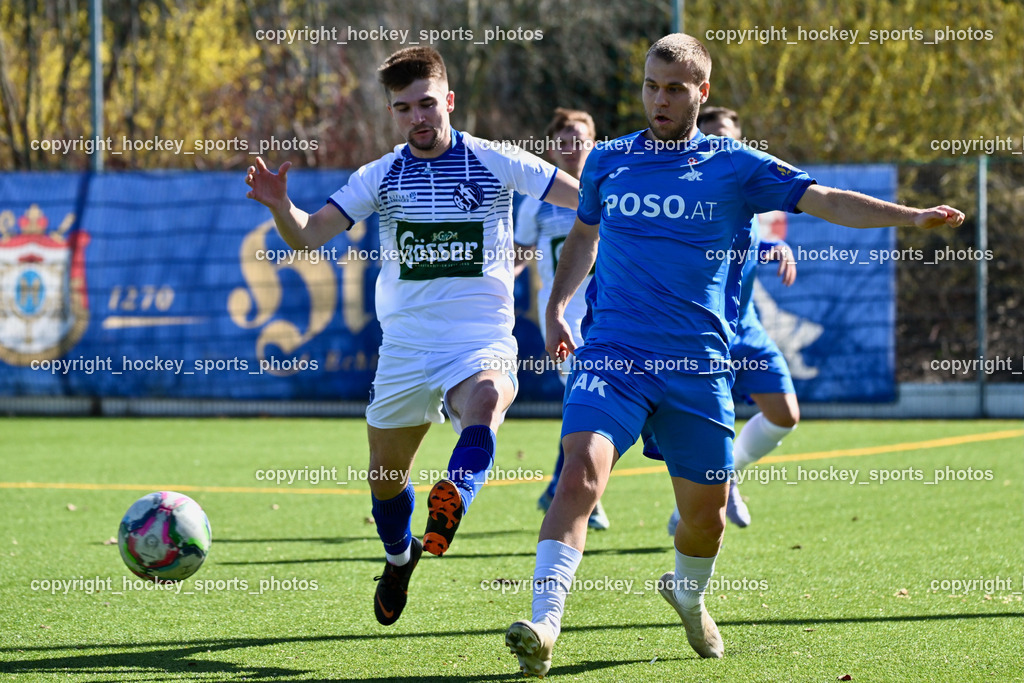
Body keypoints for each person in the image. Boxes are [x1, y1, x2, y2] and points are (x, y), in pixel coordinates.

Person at [505, 33, 963, 676]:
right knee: (580, 471)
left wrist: (910, 218)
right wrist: (557, 305)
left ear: (702, 92)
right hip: (614, 353)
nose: (660, 100)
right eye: (651, 86)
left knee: (706, 520)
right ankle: (546, 623)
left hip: (698, 366)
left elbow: (824, 199)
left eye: (674, 89)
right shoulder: (608, 160)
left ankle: (688, 595)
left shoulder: (736, 165)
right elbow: (584, 234)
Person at [245, 46, 580, 627]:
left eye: (426, 104)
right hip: (404, 349)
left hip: (479, 339)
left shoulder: (495, 159)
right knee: (385, 478)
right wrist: (281, 206)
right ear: (392, 113)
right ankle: (400, 558)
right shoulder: (379, 175)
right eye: (404, 108)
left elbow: (583, 199)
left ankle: (455, 493)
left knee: (488, 397)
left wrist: (629, 204)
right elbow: (308, 236)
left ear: (448, 100)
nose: (417, 117)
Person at [656, 106, 799, 533]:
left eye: (728, 136)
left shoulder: (744, 182)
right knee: (699, 433)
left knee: (784, 414)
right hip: (698, 333)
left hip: (745, 328)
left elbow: (743, 241)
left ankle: (729, 474)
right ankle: (694, 508)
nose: (721, 143)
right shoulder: (686, 189)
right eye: (712, 134)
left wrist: (774, 247)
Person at [514, 108, 610, 531]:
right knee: (585, 397)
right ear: (551, 149)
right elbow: (517, 257)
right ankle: (580, 491)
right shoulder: (537, 202)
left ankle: (561, 485)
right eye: (563, 141)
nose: (572, 148)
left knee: (591, 401)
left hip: (612, 314)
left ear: (594, 143)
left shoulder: (612, 192)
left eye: (580, 140)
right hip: (563, 317)